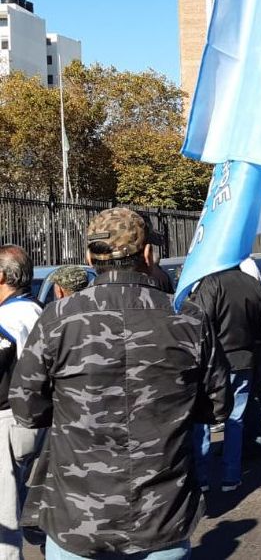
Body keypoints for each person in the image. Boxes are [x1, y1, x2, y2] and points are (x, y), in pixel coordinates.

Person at [10, 208, 231, 559]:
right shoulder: (188, 318)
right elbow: (218, 405)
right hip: (162, 511)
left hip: (78, 515)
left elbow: (25, 406)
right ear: (148, 255)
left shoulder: (59, 318)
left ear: (88, 257)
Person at [191, 258, 261, 493]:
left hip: (213, 361)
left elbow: (198, 322)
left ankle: (201, 477)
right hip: (243, 357)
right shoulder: (253, 284)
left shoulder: (211, 283)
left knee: (202, 419)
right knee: (236, 419)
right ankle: (231, 475)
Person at [0, 245, 42, 559]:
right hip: (39, 417)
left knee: (5, 515)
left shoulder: (8, 317)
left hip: (8, 421)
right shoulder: (39, 309)